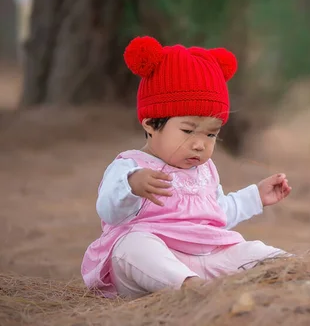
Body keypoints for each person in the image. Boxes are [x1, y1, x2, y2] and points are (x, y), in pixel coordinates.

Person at [81, 36, 292, 299]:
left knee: (252, 251)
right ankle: (190, 288)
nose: (200, 145)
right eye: (188, 130)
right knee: (132, 246)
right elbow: (108, 210)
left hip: (203, 259)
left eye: (211, 135)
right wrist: (132, 185)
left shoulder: (205, 170)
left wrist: (256, 196)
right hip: (152, 268)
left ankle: (296, 272)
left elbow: (216, 215)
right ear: (150, 122)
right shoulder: (131, 165)